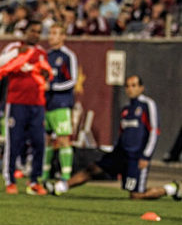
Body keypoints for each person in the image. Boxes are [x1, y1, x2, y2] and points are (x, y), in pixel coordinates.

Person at [48, 75, 181, 201]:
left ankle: (172, 189)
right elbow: (123, 133)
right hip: (120, 153)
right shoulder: (126, 109)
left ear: (141, 88)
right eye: (128, 86)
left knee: (136, 195)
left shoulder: (147, 105)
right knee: (93, 169)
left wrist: (145, 156)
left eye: (134, 85)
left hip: (136, 157)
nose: (130, 89)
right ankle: (60, 187)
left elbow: (154, 131)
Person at [0, 20, 51, 195]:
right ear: (25, 32)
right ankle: (10, 180)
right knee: (15, 141)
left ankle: (35, 180)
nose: (35, 34)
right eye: (32, 31)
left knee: (39, 142)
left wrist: (45, 75)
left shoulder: (42, 53)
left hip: (37, 103)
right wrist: (15, 53)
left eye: (38, 31)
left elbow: (47, 75)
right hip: (17, 102)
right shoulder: (15, 47)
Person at [41, 24, 78, 187]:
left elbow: (73, 80)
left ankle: (66, 176)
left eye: (55, 33)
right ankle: (44, 174)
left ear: (63, 37)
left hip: (62, 103)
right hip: (46, 104)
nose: (51, 36)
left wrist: (53, 87)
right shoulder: (46, 55)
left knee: (63, 139)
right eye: (50, 33)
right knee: (46, 140)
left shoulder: (68, 56)